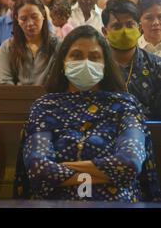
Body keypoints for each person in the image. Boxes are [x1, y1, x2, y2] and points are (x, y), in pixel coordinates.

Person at [13, 25, 161, 202]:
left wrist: (61, 169)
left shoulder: (124, 106)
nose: (85, 62)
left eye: (94, 57)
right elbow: (38, 169)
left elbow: (130, 163)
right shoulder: (45, 107)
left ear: (105, 65)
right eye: (76, 55)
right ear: (63, 62)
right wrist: (109, 172)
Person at [102, 0, 161, 120]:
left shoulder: (156, 66)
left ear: (139, 28)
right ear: (105, 32)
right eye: (117, 26)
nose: (124, 31)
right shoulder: (97, 66)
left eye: (129, 25)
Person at [0, 0, 58, 85]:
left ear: (43, 14)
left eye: (34, 17)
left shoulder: (58, 45)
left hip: (50, 98)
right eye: (23, 19)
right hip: (18, 97)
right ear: (17, 19)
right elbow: (4, 83)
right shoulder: (8, 47)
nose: (30, 23)